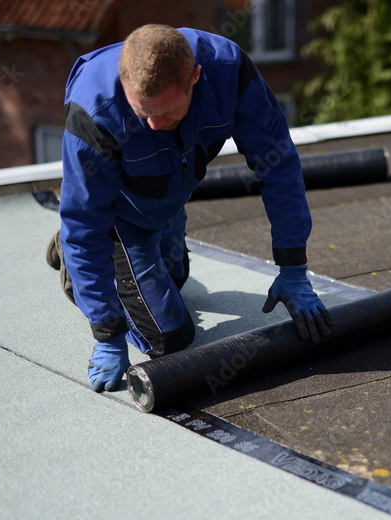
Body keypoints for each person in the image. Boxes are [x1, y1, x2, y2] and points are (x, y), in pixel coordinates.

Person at [46, 24, 333, 392]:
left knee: (176, 280)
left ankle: (85, 250)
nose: (153, 125)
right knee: (169, 337)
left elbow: (278, 165)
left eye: (167, 113)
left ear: (195, 77)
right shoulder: (96, 111)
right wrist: (107, 333)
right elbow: (84, 221)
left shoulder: (230, 73)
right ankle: (72, 258)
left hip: (167, 202)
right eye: (142, 113)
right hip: (118, 215)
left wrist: (293, 268)